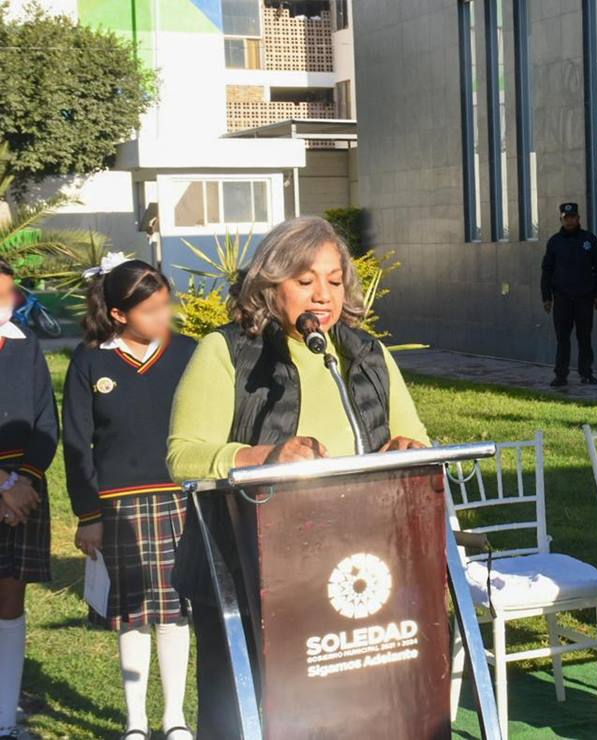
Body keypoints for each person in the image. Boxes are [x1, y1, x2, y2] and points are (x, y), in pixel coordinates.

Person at [166, 217, 430, 737]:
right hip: (248, 571)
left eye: (334, 281)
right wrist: (265, 456)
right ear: (271, 284)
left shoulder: (365, 355)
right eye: (305, 281)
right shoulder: (227, 352)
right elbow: (183, 456)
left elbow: (414, 437)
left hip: (358, 570)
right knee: (251, 718)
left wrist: (408, 448)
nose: (323, 296)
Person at [62, 256, 196, 740]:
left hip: (180, 500)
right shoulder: (90, 360)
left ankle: (175, 718)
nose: (164, 318)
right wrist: (88, 515)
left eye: (166, 306)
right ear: (119, 314)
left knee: (175, 610)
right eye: (150, 311)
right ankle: (137, 722)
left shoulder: (189, 354)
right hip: (118, 506)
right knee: (133, 615)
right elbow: (77, 443)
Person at [0, 259, 58, 740]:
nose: (8, 304)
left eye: (9, 294)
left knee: (10, 598)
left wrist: (21, 482)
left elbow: (46, 424)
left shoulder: (27, 347)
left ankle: (6, 716)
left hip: (24, 492)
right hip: (5, 488)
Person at [542, 202, 597, 386]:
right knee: (562, 338)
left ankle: (586, 373)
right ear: (561, 219)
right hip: (562, 298)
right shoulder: (554, 242)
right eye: (565, 218)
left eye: (572, 218)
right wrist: (546, 297)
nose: (569, 221)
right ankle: (561, 375)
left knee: (584, 337)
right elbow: (546, 271)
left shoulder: (589, 240)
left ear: (578, 218)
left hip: (584, 297)